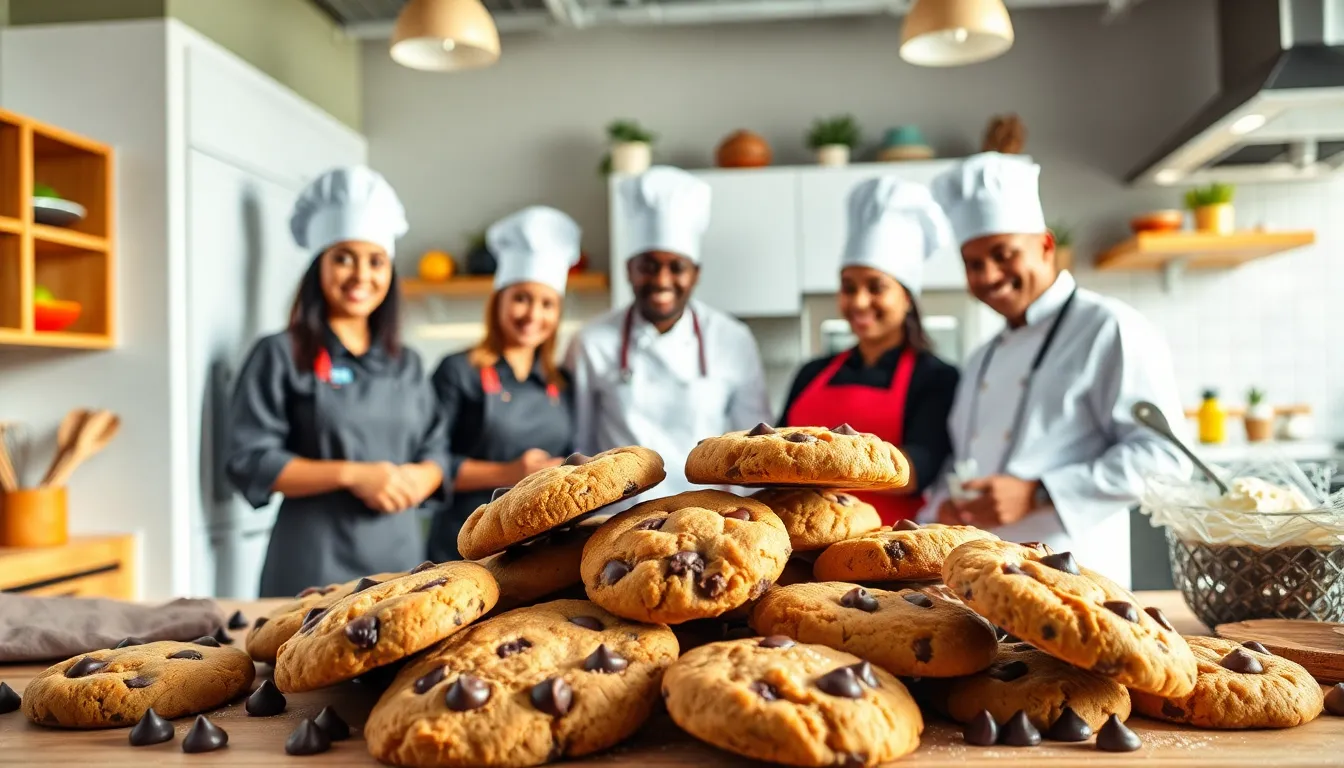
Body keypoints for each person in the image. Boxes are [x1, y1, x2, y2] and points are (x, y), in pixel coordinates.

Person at [925, 152, 1188, 587]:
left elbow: (1164, 457)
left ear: (1046, 246)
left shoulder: (1109, 327)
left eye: (1002, 254)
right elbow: (962, 459)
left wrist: (1038, 491)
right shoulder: (983, 356)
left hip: (1079, 575)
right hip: (987, 581)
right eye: (973, 263)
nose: (988, 275)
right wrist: (944, 508)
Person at [225, 165, 451, 597]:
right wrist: (352, 474)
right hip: (312, 566)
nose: (360, 275)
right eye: (343, 257)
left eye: (375, 261)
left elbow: (437, 446)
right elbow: (249, 458)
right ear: (319, 266)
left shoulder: (406, 363)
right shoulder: (280, 353)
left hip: (403, 566)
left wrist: (426, 476)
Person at [567, 165, 771, 500]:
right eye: (648, 266)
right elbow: (579, 449)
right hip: (618, 523)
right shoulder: (591, 342)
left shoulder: (732, 339)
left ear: (696, 273)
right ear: (629, 270)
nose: (662, 280)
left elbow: (754, 452)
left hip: (712, 519)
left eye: (677, 267)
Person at [780, 177, 959, 524]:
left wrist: (807, 466)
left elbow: (915, 470)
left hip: (886, 547)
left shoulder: (936, 377)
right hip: (797, 536)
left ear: (906, 297)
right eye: (849, 287)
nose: (859, 302)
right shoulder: (812, 372)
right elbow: (774, 450)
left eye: (876, 287)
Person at [426, 206, 579, 561]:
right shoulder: (457, 371)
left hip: (539, 545)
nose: (532, 315)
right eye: (521, 299)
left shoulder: (561, 382)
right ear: (498, 302)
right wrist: (510, 472)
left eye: (546, 304)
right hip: (464, 545)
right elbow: (431, 464)